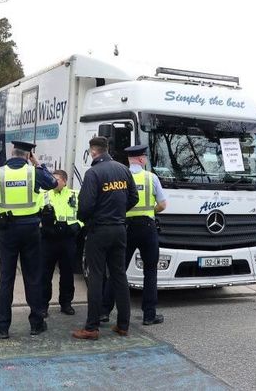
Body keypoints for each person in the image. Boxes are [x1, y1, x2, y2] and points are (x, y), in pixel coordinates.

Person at [0, 141, 58, 339]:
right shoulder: (34, 173)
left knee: (6, 278)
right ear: (28, 155)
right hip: (31, 230)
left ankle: (2, 326)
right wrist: (38, 164)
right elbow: (54, 183)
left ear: (11, 153)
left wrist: (2, 210)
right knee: (33, 277)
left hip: (7, 231)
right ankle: (36, 323)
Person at [72, 137, 138, 340]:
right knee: (119, 276)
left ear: (93, 151)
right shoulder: (123, 169)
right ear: (106, 149)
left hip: (99, 230)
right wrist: (118, 213)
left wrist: (87, 220)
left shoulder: (93, 173)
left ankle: (91, 327)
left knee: (96, 276)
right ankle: (123, 325)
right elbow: (134, 198)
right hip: (119, 229)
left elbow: (85, 206)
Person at [101, 145, 167, 325]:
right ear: (140, 159)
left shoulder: (122, 176)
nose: (145, 159)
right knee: (150, 271)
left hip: (126, 228)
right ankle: (149, 315)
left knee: (117, 270)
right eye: (144, 157)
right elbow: (163, 204)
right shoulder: (150, 177)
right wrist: (150, 211)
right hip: (147, 227)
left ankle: (104, 311)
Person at [39, 170, 82, 317]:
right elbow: (36, 213)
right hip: (48, 238)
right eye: (52, 179)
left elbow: (84, 213)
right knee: (45, 274)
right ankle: (43, 305)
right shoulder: (44, 194)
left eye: (56, 179)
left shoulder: (75, 195)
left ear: (64, 181)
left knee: (67, 274)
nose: (53, 182)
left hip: (67, 238)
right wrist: (44, 225)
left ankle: (66, 303)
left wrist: (78, 225)